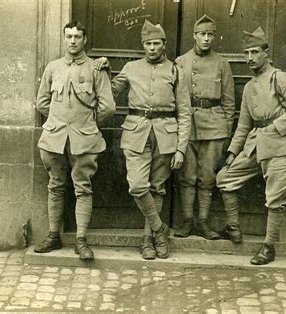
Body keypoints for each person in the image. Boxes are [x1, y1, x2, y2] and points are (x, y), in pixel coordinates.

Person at [216, 27, 286, 265]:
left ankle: (269, 247)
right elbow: (243, 125)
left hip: (280, 148)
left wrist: (275, 128)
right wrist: (232, 153)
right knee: (224, 179)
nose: (250, 58)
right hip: (254, 147)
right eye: (246, 53)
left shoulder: (280, 78)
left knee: (276, 198)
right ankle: (234, 228)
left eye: (255, 52)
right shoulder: (249, 87)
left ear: (266, 53)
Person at [108, 20, 191, 260]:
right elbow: (110, 91)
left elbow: (185, 112)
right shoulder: (131, 68)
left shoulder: (176, 71)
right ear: (142, 46)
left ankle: (148, 240)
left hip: (166, 136)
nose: (152, 48)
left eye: (156, 43)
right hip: (136, 132)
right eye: (148, 44)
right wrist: (102, 69)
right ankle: (159, 229)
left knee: (157, 187)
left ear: (164, 45)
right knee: (137, 185)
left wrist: (181, 149)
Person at [34, 21, 116, 260]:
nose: (72, 41)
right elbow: (41, 102)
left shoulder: (95, 69)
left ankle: (81, 240)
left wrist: (88, 123)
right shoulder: (53, 68)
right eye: (68, 36)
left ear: (85, 39)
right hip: (55, 138)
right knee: (55, 185)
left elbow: (108, 106)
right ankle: (53, 236)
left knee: (83, 188)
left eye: (77, 36)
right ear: (64, 38)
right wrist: (59, 120)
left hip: (84, 139)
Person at [173, 15, 236, 241]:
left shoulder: (222, 64)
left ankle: (202, 222)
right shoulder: (181, 62)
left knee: (207, 177)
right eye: (202, 34)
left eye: (210, 34)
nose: (206, 39)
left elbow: (229, 102)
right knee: (187, 176)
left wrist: (226, 130)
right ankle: (188, 221)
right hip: (188, 126)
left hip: (214, 127)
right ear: (194, 36)